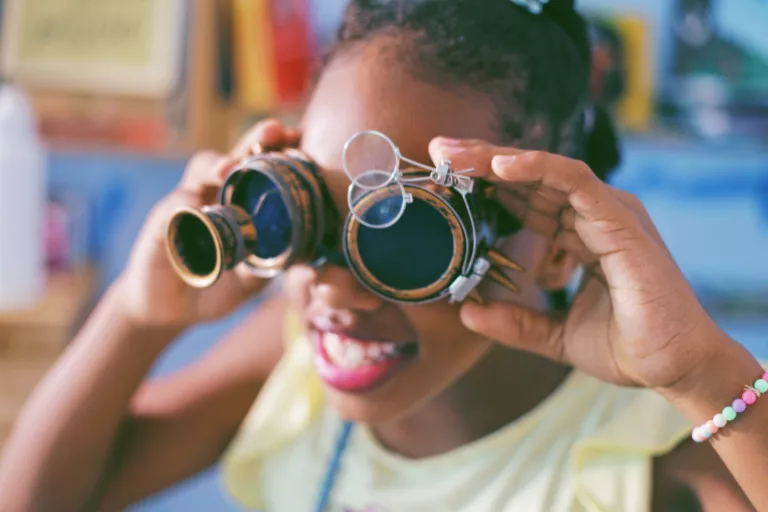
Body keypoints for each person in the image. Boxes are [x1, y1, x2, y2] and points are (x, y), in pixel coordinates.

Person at [0, 1, 764, 511]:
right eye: (311, 217)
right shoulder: (293, 360)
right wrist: (137, 316)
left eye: (407, 236)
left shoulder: (650, 467)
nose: (333, 288)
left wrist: (702, 376)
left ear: (558, 247)